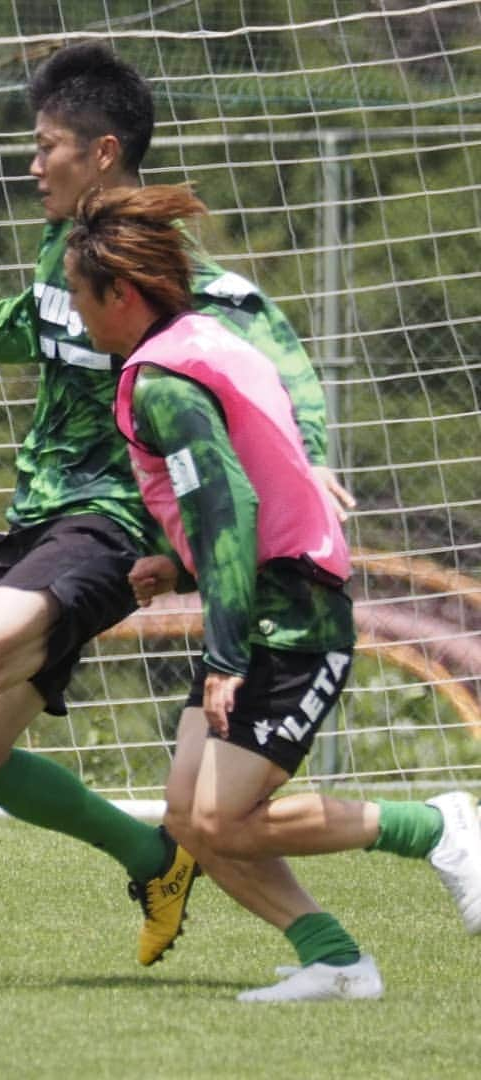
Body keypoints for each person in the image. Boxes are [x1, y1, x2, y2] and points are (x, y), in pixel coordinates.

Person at [0, 42, 351, 964]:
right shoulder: (66, 250)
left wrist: (313, 453)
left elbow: (266, 334)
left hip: (113, 522)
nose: (31, 159)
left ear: (101, 153)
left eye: (46, 143)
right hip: (41, 514)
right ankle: (154, 857)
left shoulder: (163, 263)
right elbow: (23, 323)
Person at [63, 181, 481, 1002]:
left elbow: (229, 511)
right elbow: (252, 487)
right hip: (259, 602)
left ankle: (439, 827)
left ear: (121, 293)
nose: (77, 316)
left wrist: (220, 653)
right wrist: (178, 568)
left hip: (289, 618)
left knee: (222, 820)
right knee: (189, 816)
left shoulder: (163, 384)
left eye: (81, 297)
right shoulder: (195, 341)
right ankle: (333, 960)